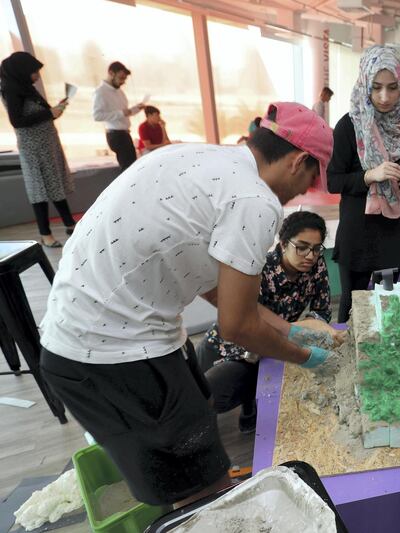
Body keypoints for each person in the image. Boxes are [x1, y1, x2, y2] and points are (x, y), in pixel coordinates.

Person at [39, 102, 335, 508]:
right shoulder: (255, 200)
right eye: (308, 180)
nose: (302, 193)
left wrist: (289, 329)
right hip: (109, 350)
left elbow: (213, 288)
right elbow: (237, 327)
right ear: (299, 160)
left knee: (198, 434)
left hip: (89, 329)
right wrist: (305, 356)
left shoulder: (199, 156)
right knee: (201, 492)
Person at [197, 211, 333, 433]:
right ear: (283, 244)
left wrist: (308, 329)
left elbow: (322, 310)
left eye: (316, 249)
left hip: (265, 348)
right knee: (199, 393)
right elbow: (246, 317)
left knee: (219, 392)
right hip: (228, 341)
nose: (310, 255)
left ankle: (249, 403)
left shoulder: (316, 267)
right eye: (302, 247)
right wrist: (296, 332)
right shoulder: (259, 267)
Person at [327, 45, 400, 324]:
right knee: (352, 304)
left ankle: (385, 360)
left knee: (388, 304)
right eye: (376, 87)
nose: (385, 97)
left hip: (391, 234)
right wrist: (370, 175)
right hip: (357, 232)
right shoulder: (349, 126)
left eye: (393, 88)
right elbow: (334, 181)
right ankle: (348, 356)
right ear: (364, 84)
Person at [0, 52, 76, 248]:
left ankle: (70, 224)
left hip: (47, 144)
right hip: (33, 148)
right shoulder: (11, 90)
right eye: (33, 71)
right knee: (39, 190)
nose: (36, 75)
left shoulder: (27, 89)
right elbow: (17, 121)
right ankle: (45, 234)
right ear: (22, 71)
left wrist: (55, 110)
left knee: (55, 184)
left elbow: (42, 114)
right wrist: (49, 113)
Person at [92, 61, 143, 171]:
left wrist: (136, 109)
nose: (122, 82)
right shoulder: (101, 92)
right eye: (121, 78)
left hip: (125, 133)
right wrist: (120, 113)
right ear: (111, 73)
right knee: (128, 169)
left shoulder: (119, 92)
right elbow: (97, 116)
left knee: (132, 167)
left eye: (124, 79)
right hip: (116, 135)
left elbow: (125, 112)